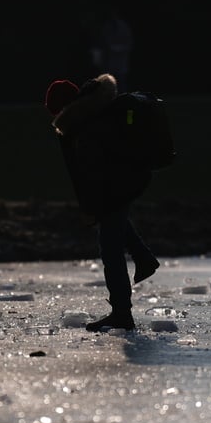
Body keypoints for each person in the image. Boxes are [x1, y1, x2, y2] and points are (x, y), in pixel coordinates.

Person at [45, 73, 160, 332]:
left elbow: (93, 175)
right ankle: (143, 258)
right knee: (114, 220)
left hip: (118, 186)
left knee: (110, 250)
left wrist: (90, 209)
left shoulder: (84, 127)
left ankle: (122, 314)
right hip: (129, 181)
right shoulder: (98, 110)